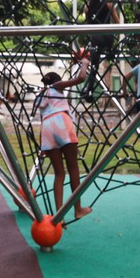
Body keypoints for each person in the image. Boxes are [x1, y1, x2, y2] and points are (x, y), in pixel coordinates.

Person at [32, 52, 93, 219]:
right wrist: (85, 63)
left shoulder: (40, 95)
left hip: (47, 129)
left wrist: (42, 146)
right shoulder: (56, 87)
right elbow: (80, 78)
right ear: (57, 81)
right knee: (73, 168)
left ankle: (58, 215)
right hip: (61, 124)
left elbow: (42, 117)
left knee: (59, 174)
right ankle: (77, 209)